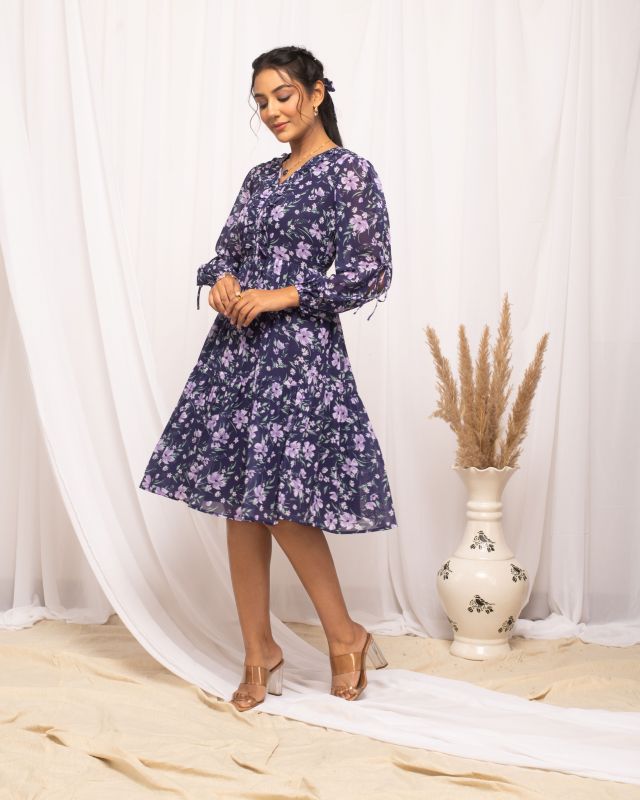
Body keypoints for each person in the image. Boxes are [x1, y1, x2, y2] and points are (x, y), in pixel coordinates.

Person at [139, 45, 397, 711]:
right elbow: (225, 253)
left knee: (280, 501)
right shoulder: (260, 178)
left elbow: (371, 270)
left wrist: (285, 294)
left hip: (300, 355)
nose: (272, 111)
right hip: (238, 352)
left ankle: (345, 635)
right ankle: (259, 652)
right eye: (261, 102)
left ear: (316, 93)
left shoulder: (349, 173)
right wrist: (222, 281)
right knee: (241, 500)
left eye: (282, 96)